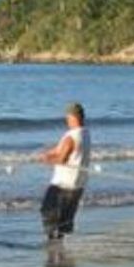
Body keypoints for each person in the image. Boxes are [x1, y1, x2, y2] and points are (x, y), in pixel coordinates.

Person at [39, 102, 91, 240]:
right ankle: (59, 248)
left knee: (47, 211)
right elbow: (60, 150)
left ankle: (53, 248)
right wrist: (48, 154)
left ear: (72, 117)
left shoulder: (71, 137)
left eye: (67, 117)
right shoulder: (85, 133)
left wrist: (47, 160)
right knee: (64, 221)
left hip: (62, 184)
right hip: (78, 184)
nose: (66, 120)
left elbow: (62, 159)